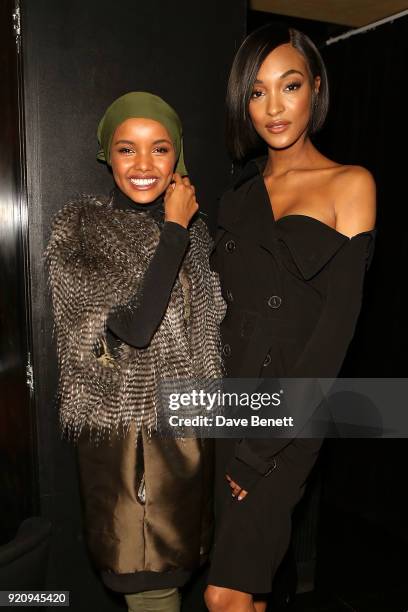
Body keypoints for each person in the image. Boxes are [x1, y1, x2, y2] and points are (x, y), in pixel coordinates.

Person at [204, 24, 376, 612]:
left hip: (292, 411)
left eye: (290, 85)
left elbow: (335, 334)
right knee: (246, 590)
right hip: (227, 402)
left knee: (223, 596)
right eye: (256, 92)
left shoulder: (350, 184)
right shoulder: (238, 195)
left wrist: (263, 446)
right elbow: (220, 311)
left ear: (316, 89)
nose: (274, 107)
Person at [46, 92, 225, 612]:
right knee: (151, 589)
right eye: (128, 149)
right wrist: (174, 230)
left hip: (188, 440)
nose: (144, 165)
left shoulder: (196, 233)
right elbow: (135, 328)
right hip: (129, 450)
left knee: (171, 583)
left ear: (179, 159)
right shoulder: (81, 231)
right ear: (108, 155)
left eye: (160, 149)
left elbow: (211, 335)